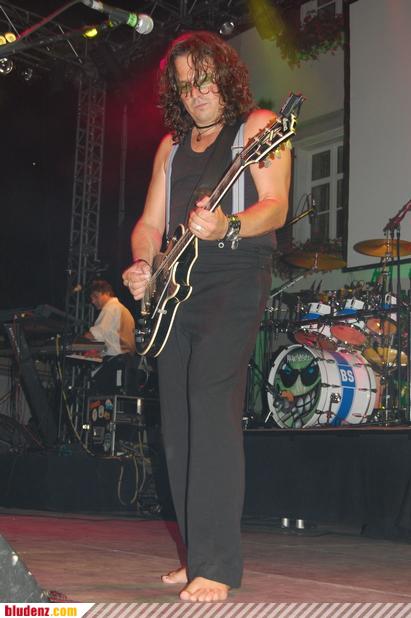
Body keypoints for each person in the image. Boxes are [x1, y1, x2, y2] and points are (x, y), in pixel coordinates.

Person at [122, 31, 291, 602]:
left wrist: (229, 225)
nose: (196, 94)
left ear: (226, 78)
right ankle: (197, 553)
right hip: (175, 291)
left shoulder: (258, 126)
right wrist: (143, 265)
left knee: (212, 407)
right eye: (185, 85)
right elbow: (149, 224)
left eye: (205, 81)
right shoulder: (171, 147)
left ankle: (217, 564)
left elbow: (275, 206)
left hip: (235, 277)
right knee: (178, 424)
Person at [83, 279, 137, 394]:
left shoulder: (110, 308)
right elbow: (111, 338)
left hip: (116, 362)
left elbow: (97, 334)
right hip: (126, 361)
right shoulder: (122, 309)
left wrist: (79, 340)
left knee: (97, 393)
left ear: (106, 293)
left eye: (95, 297)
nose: (93, 301)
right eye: (92, 298)